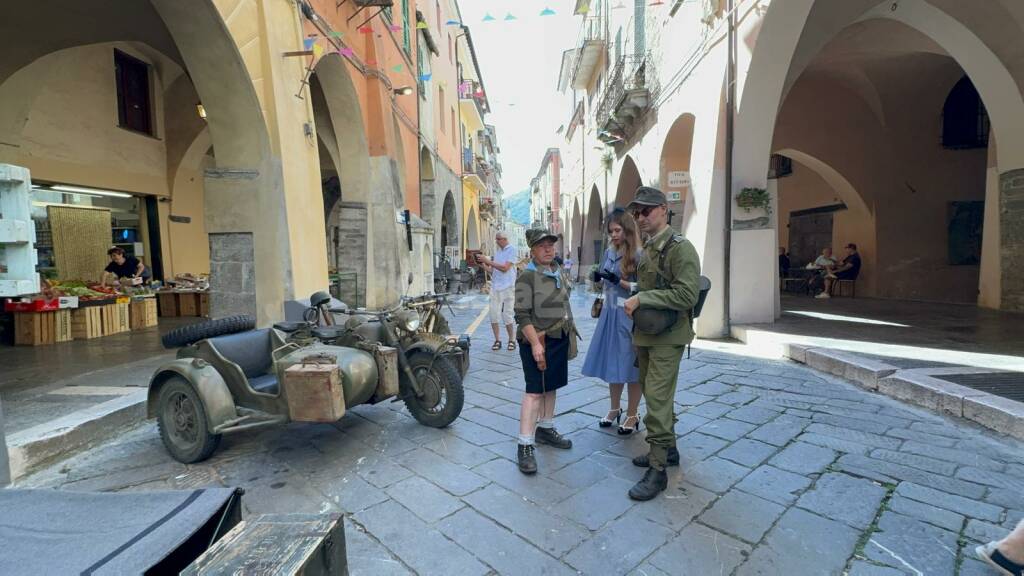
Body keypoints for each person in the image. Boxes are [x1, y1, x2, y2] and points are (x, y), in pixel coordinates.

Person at [622, 187, 700, 501]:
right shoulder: (651, 248)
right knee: (658, 395)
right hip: (647, 334)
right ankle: (669, 450)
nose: (640, 217)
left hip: (669, 336)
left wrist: (643, 296)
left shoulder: (680, 248)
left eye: (646, 211)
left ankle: (658, 470)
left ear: (664, 209)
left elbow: (687, 295)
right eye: (636, 212)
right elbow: (652, 285)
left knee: (655, 398)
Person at [513, 228, 576, 475]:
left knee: (551, 385)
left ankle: (546, 428)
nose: (548, 249)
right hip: (536, 340)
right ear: (532, 250)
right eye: (542, 246)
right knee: (534, 392)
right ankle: (525, 444)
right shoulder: (526, 277)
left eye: (551, 244)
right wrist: (536, 344)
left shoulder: (555, 269)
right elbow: (521, 314)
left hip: (558, 336)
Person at [582, 209, 643, 435]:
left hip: (628, 316)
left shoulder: (639, 254)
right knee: (611, 364)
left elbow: (645, 288)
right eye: (611, 231)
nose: (614, 235)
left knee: (631, 366)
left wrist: (623, 283)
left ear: (627, 229)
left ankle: (633, 413)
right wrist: (598, 279)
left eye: (617, 230)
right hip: (608, 315)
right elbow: (606, 283)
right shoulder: (609, 252)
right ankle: (614, 408)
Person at [476, 232, 518, 351]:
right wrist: (482, 265)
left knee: (507, 315)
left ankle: (511, 340)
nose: (496, 241)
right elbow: (494, 271)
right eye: (496, 239)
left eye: (498, 239)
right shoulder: (498, 252)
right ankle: (497, 340)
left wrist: (488, 261)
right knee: (493, 315)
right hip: (495, 287)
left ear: (504, 239)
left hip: (508, 287)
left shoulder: (512, 250)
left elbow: (505, 268)